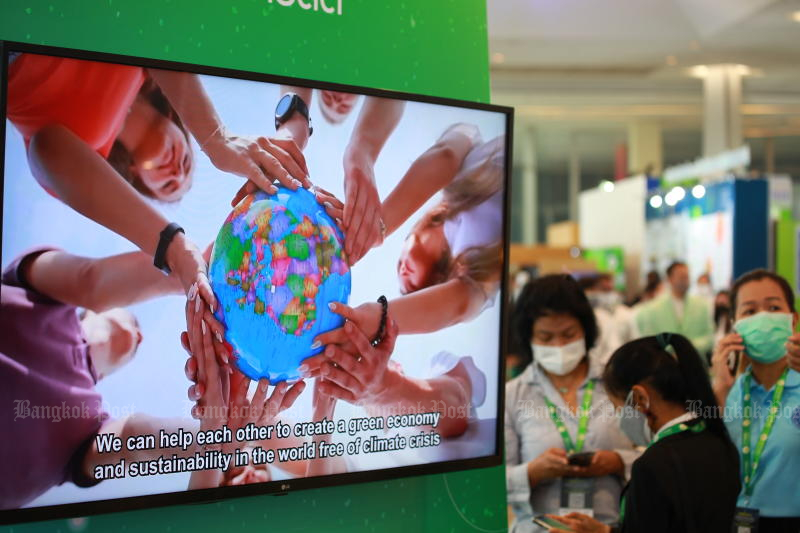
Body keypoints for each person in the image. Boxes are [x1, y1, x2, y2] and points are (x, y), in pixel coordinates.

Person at [7, 53, 311, 360]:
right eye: (186, 161)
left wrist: (186, 257)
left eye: (167, 185)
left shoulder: (83, 161)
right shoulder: (148, 68)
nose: (177, 172)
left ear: (136, 176)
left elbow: (46, 146)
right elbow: (152, 32)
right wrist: (216, 137)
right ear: (178, 123)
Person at [0, 247, 301, 507]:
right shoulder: (40, 298)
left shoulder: (88, 428)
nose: (139, 335)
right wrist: (194, 273)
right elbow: (90, 280)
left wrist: (219, 432)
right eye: (128, 317)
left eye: (133, 352)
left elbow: (133, 438)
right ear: (94, 311)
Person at [313, 123, 504, 339]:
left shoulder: (456, 176)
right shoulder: (477, 274)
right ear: (436, 287)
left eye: (398, 264)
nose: (403, 272)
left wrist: (379, 226)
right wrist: (376, 321)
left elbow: (446, 155)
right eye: (412, 288)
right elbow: (457, 306)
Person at [546, 333, 741, 533]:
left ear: (639, 398)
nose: (618, 417)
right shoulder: (718, 441)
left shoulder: (653, 465)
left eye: (617, 407)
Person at [504, 275, 638, 533]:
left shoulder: (619, 384)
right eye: (546, 337)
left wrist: (618, 462)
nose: (559, 346)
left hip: (608, 527)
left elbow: (655, 457)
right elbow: (493, 485)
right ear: (528, 337)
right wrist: (533, 471)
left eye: (568, 334)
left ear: (585, 330)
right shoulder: (513, 396)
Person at [710, 269, 800, 532]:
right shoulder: (730, 391)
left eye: (773, 307)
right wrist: (720, 389)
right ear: (735, 324)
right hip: (735, 521)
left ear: (792, 320)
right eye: (749, 311)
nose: (762, 317)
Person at [634, 261, 714, 362]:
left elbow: (709, 338)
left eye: (687, 276)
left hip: (696, 363)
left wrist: (686, 348)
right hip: (666, 364)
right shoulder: (653, 309)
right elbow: (650, 339)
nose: (685, 280)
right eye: (681, 276)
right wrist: (671, 351)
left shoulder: (702, 306)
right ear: (670, 279)